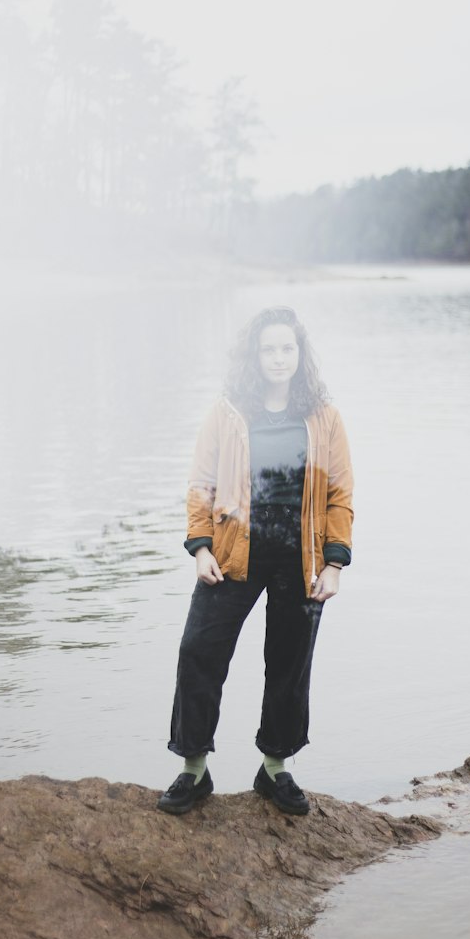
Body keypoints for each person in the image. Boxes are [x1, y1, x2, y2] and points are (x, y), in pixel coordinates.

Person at [158, 306, 354, 818]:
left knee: (289, 664)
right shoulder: (227, 412)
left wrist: (333, 564)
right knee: (198, 651)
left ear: (300, 354)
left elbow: (339, 492)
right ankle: (194, 771)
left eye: (287, 348)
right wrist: (200, 549)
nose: (278, 357)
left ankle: (274, 768)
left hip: (301, 558)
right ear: (255, 354)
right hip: (233, 552)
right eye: (269, 348)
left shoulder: (325, 416)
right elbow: (201, 485)